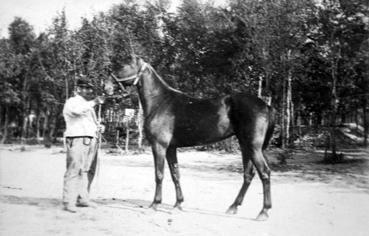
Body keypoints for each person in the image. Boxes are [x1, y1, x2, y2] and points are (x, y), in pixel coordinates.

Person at [62, 77, 105, 213]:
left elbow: (90, 122)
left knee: (86, 170)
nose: (88, 90)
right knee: (74, 169)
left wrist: (99, 126)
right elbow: (76, 112)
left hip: (90, 139)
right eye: (85, 88)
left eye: (89, 88)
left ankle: (82, 198)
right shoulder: (72, 102)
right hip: (77, 139)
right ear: (78, 89)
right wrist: (95, 101)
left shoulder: (88, 104)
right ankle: (68, 201)